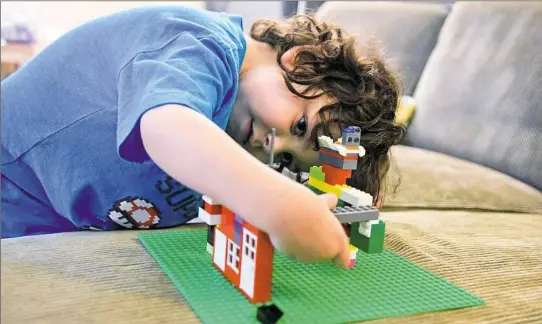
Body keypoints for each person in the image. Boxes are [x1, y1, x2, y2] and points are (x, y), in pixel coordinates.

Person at [1, 6, 405, 268]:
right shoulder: (199, 41)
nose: (273, 146)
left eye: (287, 162)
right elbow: (166, 125)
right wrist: (278, 204)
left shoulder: (229, 136)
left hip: (52, 227)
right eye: (300, 126)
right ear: (302, 62)